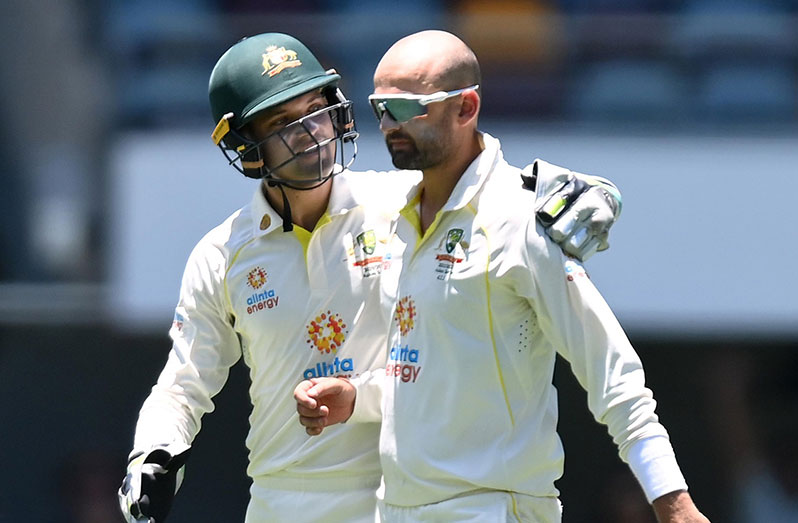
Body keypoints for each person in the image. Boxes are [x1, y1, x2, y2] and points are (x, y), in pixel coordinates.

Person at [117, 32, 622, 523]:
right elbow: (184, 384)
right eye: (283, 123)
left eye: (315, 112)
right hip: (282, 499)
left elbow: (491, 183)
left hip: (399, 498)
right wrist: (153, 451)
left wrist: (583, 189)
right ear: (248, 148)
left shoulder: (402, 203)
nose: (310, 134)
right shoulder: (223, 254)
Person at [294, 30, 710, 522]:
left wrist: (673, 502)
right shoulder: (399, 216)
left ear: (466, 107)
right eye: (381, 108)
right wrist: (358, 396)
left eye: (407, 109)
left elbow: (612, 374)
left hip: (492, 509)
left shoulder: (517, 222)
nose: (388, 125)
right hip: (398, 510)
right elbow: (438, 372)